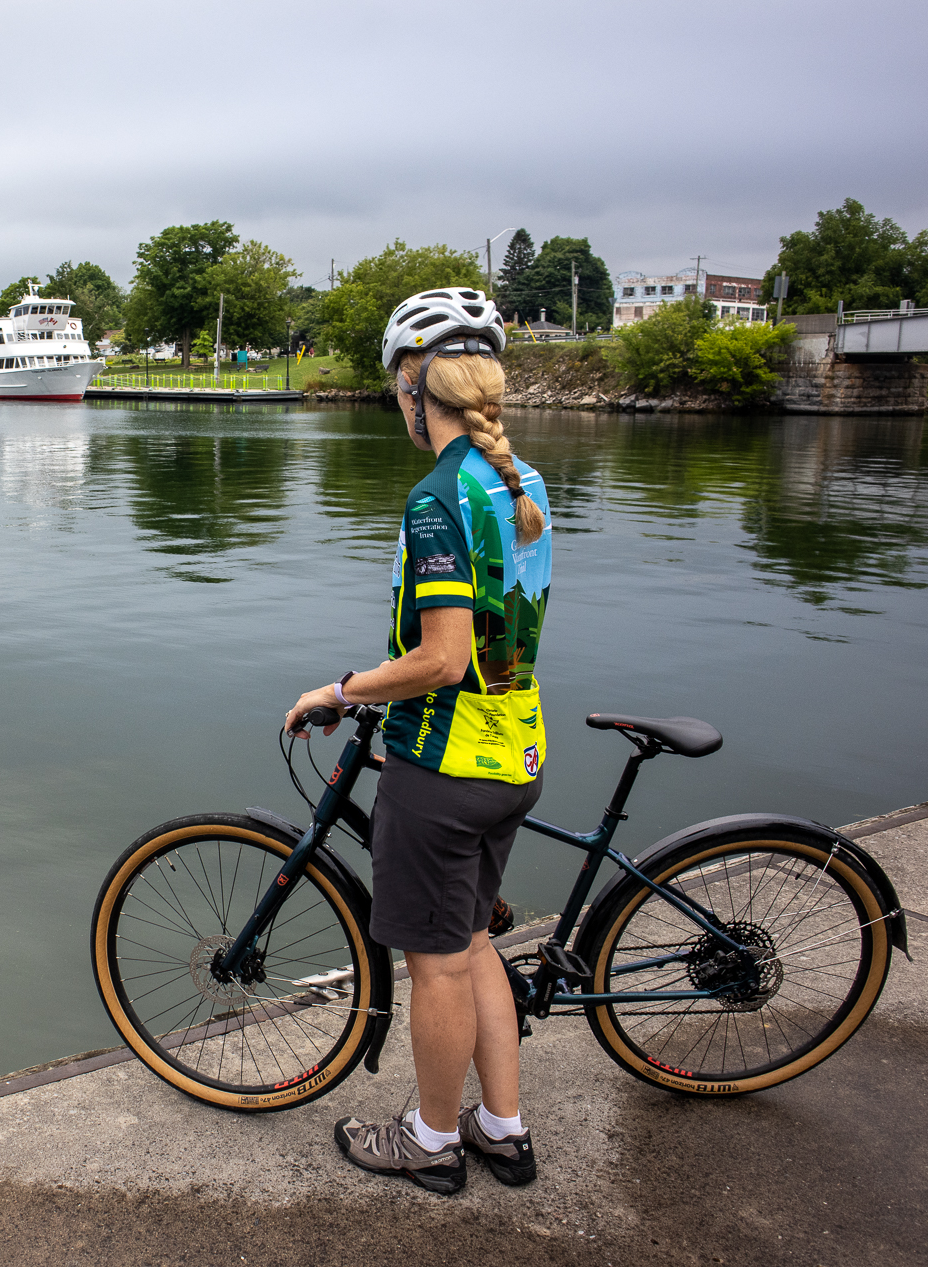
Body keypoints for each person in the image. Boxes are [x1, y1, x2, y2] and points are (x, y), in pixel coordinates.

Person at [284, 288, 552, 1196]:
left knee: (435, 964)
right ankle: (500, 1129)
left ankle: (433, 1141)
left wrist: (340, 689)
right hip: (515, 756)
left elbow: (440, 660)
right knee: (474, 944)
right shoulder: (520, 482)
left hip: (441, 770)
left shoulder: (439, 498)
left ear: (412, 386)